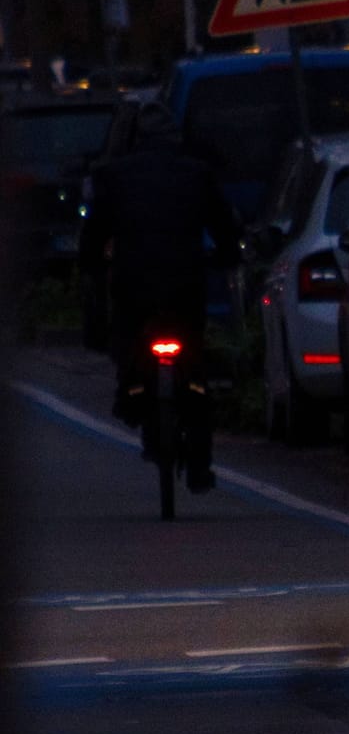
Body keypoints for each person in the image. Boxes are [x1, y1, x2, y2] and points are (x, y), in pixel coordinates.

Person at [80, 101, 241, 494]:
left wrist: (93, 264)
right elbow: (224, 227)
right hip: (184, 282)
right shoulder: (197, 174)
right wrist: (226, 255)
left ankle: (133, 392)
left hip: (134, 284)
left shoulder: (114, 176)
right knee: (197, 370)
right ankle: (200, 464)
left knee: (128, 346)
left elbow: (94, 235)